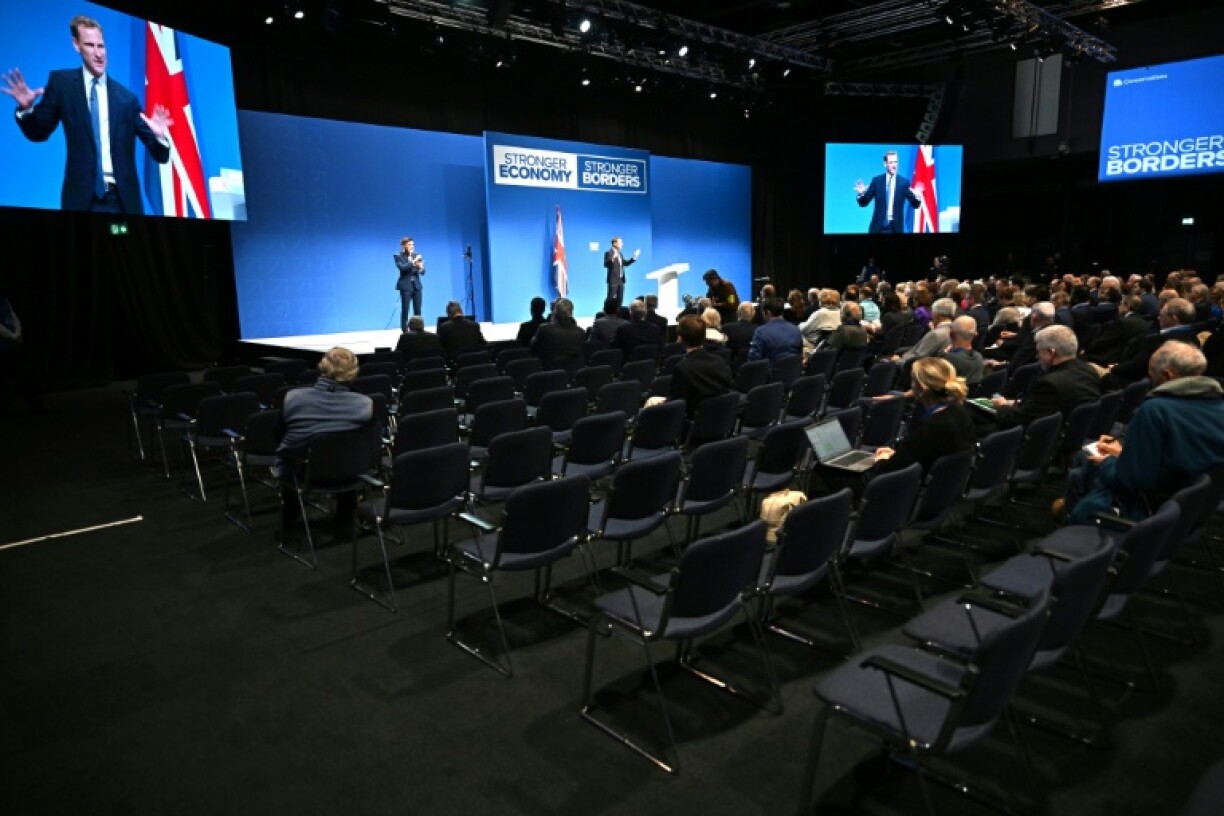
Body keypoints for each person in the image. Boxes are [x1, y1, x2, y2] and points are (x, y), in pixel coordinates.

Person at [3, 15, 172, 214]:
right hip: (82, 199)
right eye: (90, 45)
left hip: (122, 201)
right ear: (76, 45)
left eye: (101, 46)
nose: (98, 53)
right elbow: (39, 132)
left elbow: (160, 155)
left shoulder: (127, 99)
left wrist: (160, 136)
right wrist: (26, 110)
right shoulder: (62, 84)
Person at [1062, 343, 1224, 525]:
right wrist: (1124, 454)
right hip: (1195, 504)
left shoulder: (1156, 409)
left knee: (1082, 466)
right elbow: (1182, 455)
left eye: (1152, 376)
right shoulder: (1219, 405)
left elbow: (1133, 480)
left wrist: (1107, 462)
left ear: (1167, 376)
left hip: (1149, 508)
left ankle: (1068, 537)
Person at [276, 347, 374, 534]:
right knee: (345, 450)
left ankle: (289, 525)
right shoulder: (365, 404)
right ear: (353, 372)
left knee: (293, 456)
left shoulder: (293, 398)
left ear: (322, 366)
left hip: (303, 474)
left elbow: (279, 433)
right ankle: (344, 521)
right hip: (351, 471)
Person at [874, 357, 975, 476]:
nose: (910, 386)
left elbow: (886, 470)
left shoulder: (929, 428)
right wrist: (897, 454)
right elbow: (919, 453)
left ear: (922, 390)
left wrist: (882, 459)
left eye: (912, 381)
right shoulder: (960, 412)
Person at [990, 325, 1100, 430]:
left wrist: (1002, 406)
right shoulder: (1089, 370)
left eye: (1039, 351)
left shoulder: (1050, 383)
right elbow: (1047, 404)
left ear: (1051, 353)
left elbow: (1018, 420)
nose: (1037, 356)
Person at [669, 315, 733, 419]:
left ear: (680, 338)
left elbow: (678, 403)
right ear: (704, 336)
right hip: (720, 419)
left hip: (693, 424)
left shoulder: (682, 368)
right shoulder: (720, 361)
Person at [854, 150, 925, 234]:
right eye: (891, 162)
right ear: (885, 164)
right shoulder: (876, 181)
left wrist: (917, 196)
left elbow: (915, 204)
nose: (894, 165)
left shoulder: (903, 183)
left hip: (895, 228)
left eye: (896, 162)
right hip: (877, 228)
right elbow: (864, 203)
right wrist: (861, 194)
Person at [531, 297, 585, 374]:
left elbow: (533, 349)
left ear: (555, 312)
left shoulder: (544, 329)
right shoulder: (581, 332)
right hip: (573, 373)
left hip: (549, 373)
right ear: (571, 313)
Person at [747, 298, 803, 364]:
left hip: (770, 373)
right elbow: (800, 356)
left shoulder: (760, 332)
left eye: (763, 313)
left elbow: (753, 360)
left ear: (768, 313)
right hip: (793, 373)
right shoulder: (796, 330)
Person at [938, 316, 985, 387]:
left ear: (951, 333)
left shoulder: (946, 360)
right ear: (975, 334)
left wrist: (943, 355)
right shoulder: (979, 357)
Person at [394, 236, 426, 331]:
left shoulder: (417, 255)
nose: (412, 246)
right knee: (405, 310)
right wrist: (414, 262)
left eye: (413, 244)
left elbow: (423, 272)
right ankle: (405, 331)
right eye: (409, 244)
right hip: (406, 286)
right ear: (404, 246)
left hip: (416, 286)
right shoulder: (398, 256)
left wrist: (421, 268)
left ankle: (419, 330)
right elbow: (403, 268)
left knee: (418, 310)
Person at [603, 237, 639, 309]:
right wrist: (613, 258)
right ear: (615, 243)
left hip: (621, 280)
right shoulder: (608, 253)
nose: (622, 244)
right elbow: (606, 264)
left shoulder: (620, 254)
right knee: (610, 298)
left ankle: (618, 314)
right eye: (621, 242)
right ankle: (606, 314)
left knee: (620, 298)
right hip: (613, 280)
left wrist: (634, 257)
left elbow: (625, 263)